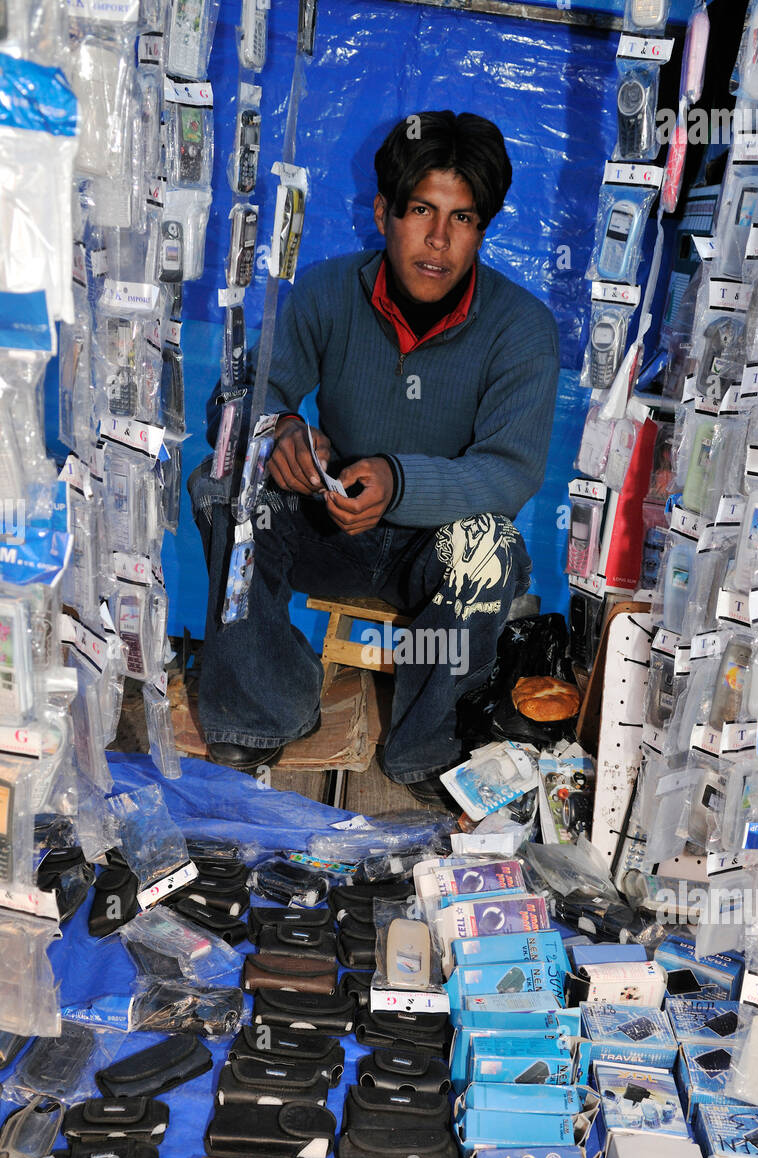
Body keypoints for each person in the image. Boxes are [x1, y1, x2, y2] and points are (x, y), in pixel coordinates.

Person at [189, 109, 560, 805]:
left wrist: (398, 482)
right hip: (329, 525)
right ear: (384, 211)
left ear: (483, 229)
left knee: (486, 546)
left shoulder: (522, 328)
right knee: (223, 489)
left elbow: (509, 473)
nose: (439, 241)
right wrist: (280, 432)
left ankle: (427, 740)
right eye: (422, 210)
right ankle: (264, 705)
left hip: (429, 552)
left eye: (464, 219)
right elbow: (240, 396)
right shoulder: (326, 291)